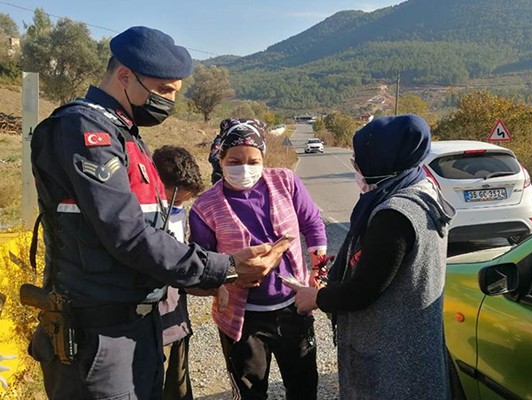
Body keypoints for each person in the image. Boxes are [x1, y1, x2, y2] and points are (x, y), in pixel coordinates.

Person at [28, 26, 289, 400]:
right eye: (164, 90)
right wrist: (225, 266)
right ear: (124, 76)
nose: (169, 102)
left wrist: (214, 276)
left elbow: (155, 233)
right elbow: (129, 236)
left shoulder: (125, 133)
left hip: (137, 327)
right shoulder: (84, 130)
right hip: (98, 337)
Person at [284, 114, 456, 400]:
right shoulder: (423, 189)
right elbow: (390, 263)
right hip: (413, 347)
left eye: (359, 159)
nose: (357, 167)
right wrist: (355, 258)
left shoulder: (394, 213)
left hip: (391, 361)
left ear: (381, 160)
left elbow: (364, 290)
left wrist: (314, 297)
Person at [189, 118, 327, 400]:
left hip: (292, 308)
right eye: (235, 160)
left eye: (253, 161)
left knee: (303, 387)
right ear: (221, 159)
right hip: (243, 319)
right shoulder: (204, 207)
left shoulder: (285, 182)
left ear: (263, 158)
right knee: (250, 391)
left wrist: (319, 267)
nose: (245, 168)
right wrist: (221, 286)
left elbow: (312, 222)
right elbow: (203, 262)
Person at [152, 145, 205, 400]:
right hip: (148, 327)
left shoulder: (179, 214)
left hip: (176, 324)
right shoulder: (132, 216)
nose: (178, 207)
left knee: (178, 391)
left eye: (183, 203)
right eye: (176, 200)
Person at [208, 118, 268, 184]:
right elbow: (213, 157)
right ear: (221, 161)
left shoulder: (277, 184)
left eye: (253, 162)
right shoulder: (220, 141)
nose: (244, 170)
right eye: (234, 162)